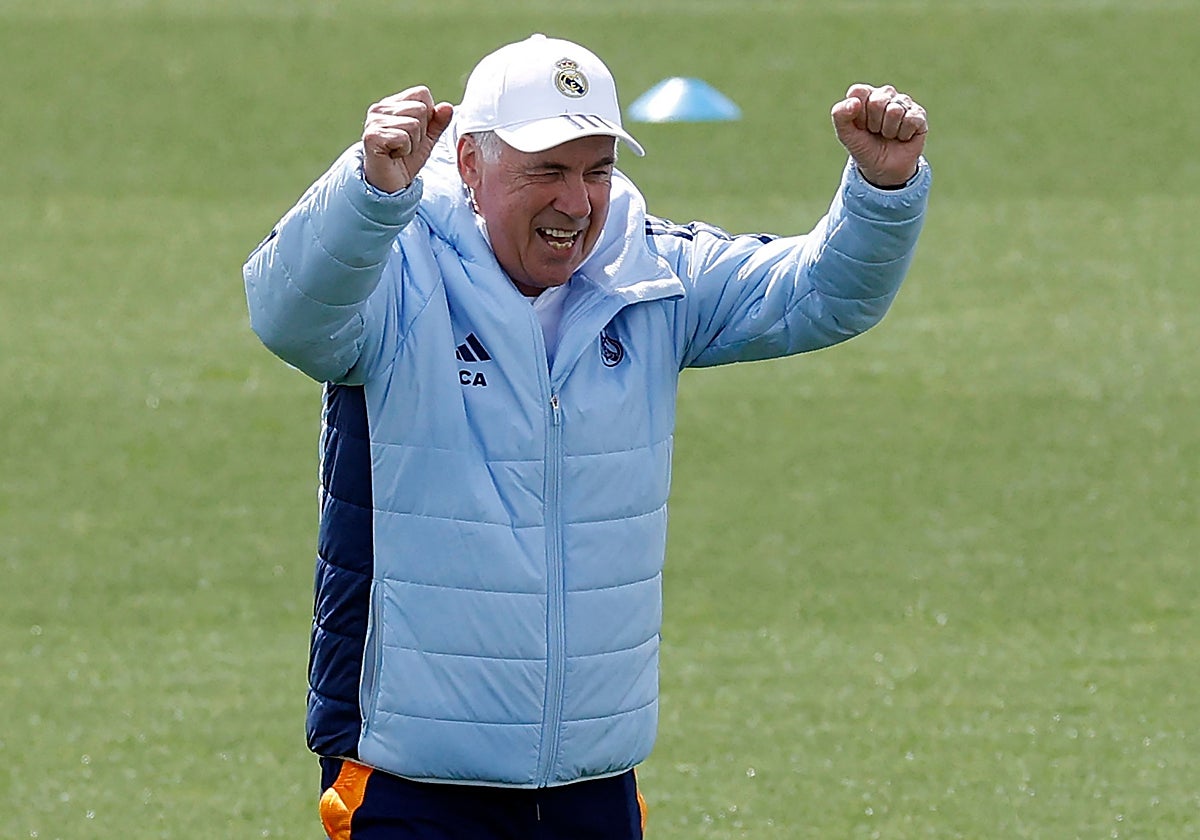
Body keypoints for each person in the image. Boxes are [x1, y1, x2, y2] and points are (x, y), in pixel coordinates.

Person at [243, 32, 930, 840]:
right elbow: (289, 316)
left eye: (596, 170)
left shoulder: (650, 274)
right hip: (411, 783)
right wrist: (365, 195)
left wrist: (883, 191)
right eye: (548, 170)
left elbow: (819, 294)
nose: (577, 203)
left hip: (591, 785)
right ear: (469, 163)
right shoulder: (392, 271)